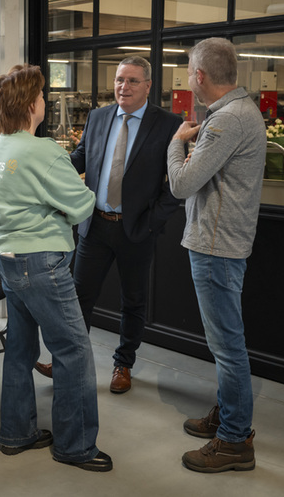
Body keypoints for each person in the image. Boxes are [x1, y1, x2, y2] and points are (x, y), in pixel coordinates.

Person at [0, 64, 110, 471]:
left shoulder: (1, 147)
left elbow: (3, 197)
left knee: (20, 348)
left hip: (3, 256)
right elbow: (82, 205)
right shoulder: (44, 151)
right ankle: (75, 446)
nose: (44, 100)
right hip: (39, 262)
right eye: (41, 95)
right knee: (73, 350)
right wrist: (70, 192)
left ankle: (16, 433)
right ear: (30, 105)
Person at [34, 56, 183, 394]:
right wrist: (43, 166)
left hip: (136, 231)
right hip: (95, 225)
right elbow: (79, 160)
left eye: (132, 81)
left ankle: (123, 364)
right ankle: (66, 361)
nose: (123, 87)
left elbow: (175, 184)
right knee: (78, 297)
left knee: (132, 301)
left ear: (147, 86)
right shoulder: (99, 117)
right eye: (119, 80)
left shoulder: (168, 124)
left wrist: (151, 222)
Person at [166, 37, 264, 473]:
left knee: (227, 347)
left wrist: (175, 143)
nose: (189, 78)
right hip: (221, 244)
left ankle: (234, 441)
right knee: (226, 343)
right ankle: (230, 417)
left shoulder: (227, 121)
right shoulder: (237, 113)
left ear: (200, 76)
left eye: (190, 71)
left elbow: (182, 184)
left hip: (216, 248)